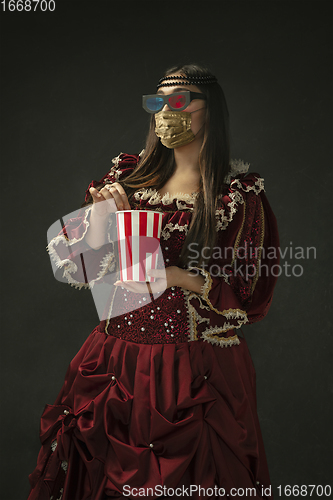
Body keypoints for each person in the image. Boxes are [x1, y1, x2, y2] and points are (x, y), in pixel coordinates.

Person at [28, 64, 279, 500]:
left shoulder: (235, 195)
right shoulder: (125, 182)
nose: (166, 111)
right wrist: (104, 219)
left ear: (210, 110)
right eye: (158, 101)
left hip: (196, 368)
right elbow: (81, 269)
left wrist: (177, 276)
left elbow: (247, 293)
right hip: (114, 359)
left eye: (180, 100)